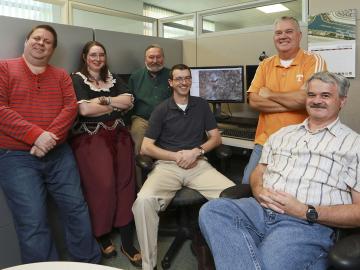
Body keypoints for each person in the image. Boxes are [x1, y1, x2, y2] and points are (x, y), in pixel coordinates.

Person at [199, 71, 360, 270]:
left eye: (325, 95)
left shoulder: (354, 145)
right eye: (311, 95)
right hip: (259, 210)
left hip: (304, 224)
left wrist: (306, 211)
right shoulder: (282, 134)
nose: (317, 100)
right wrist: (258, 191)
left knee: (269, 264)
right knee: (213, 210)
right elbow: (258, 171)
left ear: (342, 101)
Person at [0, 25, 100, 263]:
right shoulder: (4, 68)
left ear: (53, 49)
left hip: (58, 153)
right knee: (32, 220)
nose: (41, 43)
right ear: (26, 41)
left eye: (47, 41)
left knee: (76, 209)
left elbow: (69, 108)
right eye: (36, 38)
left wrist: (48, 138)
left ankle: (87, 264)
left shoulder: (61, 75)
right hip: (15, 157)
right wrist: (36, 135)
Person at [132, 64, 235, 270]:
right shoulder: (161, 109)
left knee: (235, 198)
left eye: (187, 78)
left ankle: (230, 257)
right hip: (168, 166)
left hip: (198, 165)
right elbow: (146, 147)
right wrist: (175, 156)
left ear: (191, 81)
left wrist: (196, 151)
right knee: (143, 202)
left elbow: (215, 138)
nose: (183, 82)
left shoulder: (201, 105)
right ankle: (148, 265)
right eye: (178, 79)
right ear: (171, 83)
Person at [70, 41, 141, 267]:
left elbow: (129, 101)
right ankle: (101, 234)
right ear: (84, 56)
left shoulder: (113, 77)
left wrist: (106, 100)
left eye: (101, 54)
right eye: (93, 54)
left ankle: (127, 239)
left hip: (119, 136)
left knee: (126, 184)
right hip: (91, 139)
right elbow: (84, 110)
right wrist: (114, 106)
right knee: (103, 186)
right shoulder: (77, 79)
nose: (98, 58)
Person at [242, 16, 327, 184]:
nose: (283, 36)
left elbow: (309, 99)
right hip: (265, 143)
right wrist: (295, 103)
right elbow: (254, 101)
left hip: (301, 143)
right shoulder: (265, 65)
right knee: (247, 185)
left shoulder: (313, 61)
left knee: (290, 192)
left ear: (299, 35)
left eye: (289, 31)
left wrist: (270, 94)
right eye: (278, 32)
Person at [128, 44, 172, 186]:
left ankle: (169, 184)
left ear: (163, 58)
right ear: (145, 59)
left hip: (168, 119)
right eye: (151, 57)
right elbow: (129, 101)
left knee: (175, 143)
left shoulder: (172, 75)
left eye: (158, 57)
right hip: (142, 119)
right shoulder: (135, 77)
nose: (155, 60)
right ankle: (141, 188)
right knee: (137, 145)